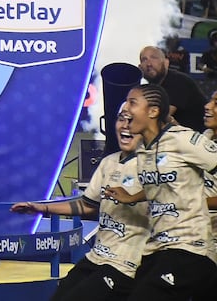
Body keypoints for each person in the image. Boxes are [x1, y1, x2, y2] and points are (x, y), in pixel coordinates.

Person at [11, 104, 148, 300]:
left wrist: (133, 198)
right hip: (96, 257)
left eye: (131, 120)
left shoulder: (153, 165)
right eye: (121, 119)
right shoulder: (108, 162)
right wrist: (40, 208)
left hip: (126, 266)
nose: (125, 126)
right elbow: (86, 205)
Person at [105, 83, 217, 299]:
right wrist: (132, 197)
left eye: (132, 102)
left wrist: (192, 202)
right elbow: (168, 186)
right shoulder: (143, 150)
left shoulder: (183, 140)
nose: (126, 109)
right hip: (157, 248)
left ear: (153, 111)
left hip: (190, 248)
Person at [138, 45, 208, 132]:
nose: (149, 64)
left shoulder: (178, 80)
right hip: (180, 138)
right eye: (144, 60)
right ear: (140, 68)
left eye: (154, 58)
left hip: (203, 138)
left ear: (166, 63)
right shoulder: (150, 89)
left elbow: (159, 118)